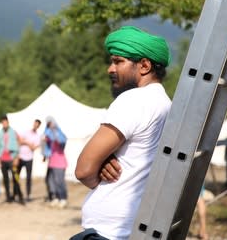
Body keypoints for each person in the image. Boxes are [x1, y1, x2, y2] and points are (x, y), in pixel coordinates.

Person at [73, 26, 171, 240]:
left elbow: (83, 169)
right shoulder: (166, 104)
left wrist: (97, 169)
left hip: (110, 233)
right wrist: (104, 160)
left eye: (118, 61)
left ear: (144, 65)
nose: (110, 68)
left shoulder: (133, 100)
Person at [43, 116, 68, 208]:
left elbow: (62, 141)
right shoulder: (49, 134)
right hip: (52, 162)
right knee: (51, 181)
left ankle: (63, 198)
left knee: (60, 181)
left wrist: (54, 131)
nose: (50, 125)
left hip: (60, 162)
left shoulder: (59, 134)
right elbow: (45, 143)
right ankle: (56, 198)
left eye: (51, 123)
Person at [0, 115, 23, 204]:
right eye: (3, 122)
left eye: (5, 122)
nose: (4, 124)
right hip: (3, 159)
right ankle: (8, 197)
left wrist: (17, 157)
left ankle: (20, 196)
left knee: (16, 178)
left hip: (12, 158)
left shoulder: (13, 132)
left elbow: (19, 141)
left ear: (8, 122)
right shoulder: (0, 134)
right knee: (5, 179)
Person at [18, 119, 41, 202]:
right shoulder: (26, 132)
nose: (35, 125)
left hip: (29, 159)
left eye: (37, 125)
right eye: (35, 124)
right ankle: (16, 193)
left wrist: (25, 142)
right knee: (16, 176)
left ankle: (28, 195)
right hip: (20, 157)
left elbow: (34, 147)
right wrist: (28, 143)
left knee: (28, 178)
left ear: (38, 126)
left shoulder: (37, 136)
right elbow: (19, 141)